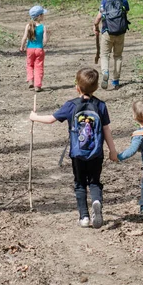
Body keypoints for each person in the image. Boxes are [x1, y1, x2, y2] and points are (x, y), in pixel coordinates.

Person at [29, 67, 118, 228]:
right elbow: (106, 130)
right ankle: (96, 201)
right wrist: (112, 150)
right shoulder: (101, 106)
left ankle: (84, 217)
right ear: (96, 87)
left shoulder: (71, 105)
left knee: (79, 183)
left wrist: (34, 117)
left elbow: (50, 119)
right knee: (95, 182)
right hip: (96, 153)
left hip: (77, 153)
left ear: (77, 87)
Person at [93, 0, 129, 90]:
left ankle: (105, 72)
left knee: (104, 55)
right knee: (118, 56)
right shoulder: (124, 1)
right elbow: (125, 12)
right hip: (121, 32)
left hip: (107, 32)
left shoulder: (105, 1)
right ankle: (116, 80)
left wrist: (95, 26)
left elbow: (99, 17)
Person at [20, 5, 48, 93]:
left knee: (29, 65)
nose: (44, 15)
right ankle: (37, 85)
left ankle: (30, 80)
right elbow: (45, 41)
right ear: (39, 16)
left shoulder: (28, 26)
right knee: (39, 67)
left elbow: (24, 38)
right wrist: (48, 37)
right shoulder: (43, 27)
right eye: (43, 14)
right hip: (39, 49)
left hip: (30, 49)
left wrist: (22, 47)